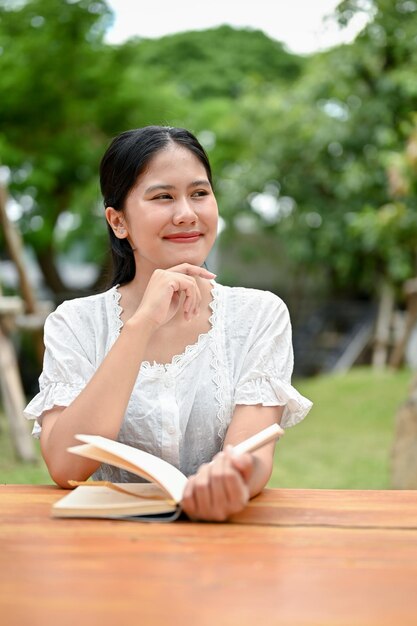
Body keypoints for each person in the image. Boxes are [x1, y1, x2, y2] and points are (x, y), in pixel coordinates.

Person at [24, 125, 312, 521]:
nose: (186, 214)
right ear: (118, 222)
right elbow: (65, 466)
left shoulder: (259, 315)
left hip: (224, 535)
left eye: (199, 193)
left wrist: (230, 483)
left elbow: (254, 453)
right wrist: (141, 324)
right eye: (163, 197)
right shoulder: (74, 324)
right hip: (108, 548)